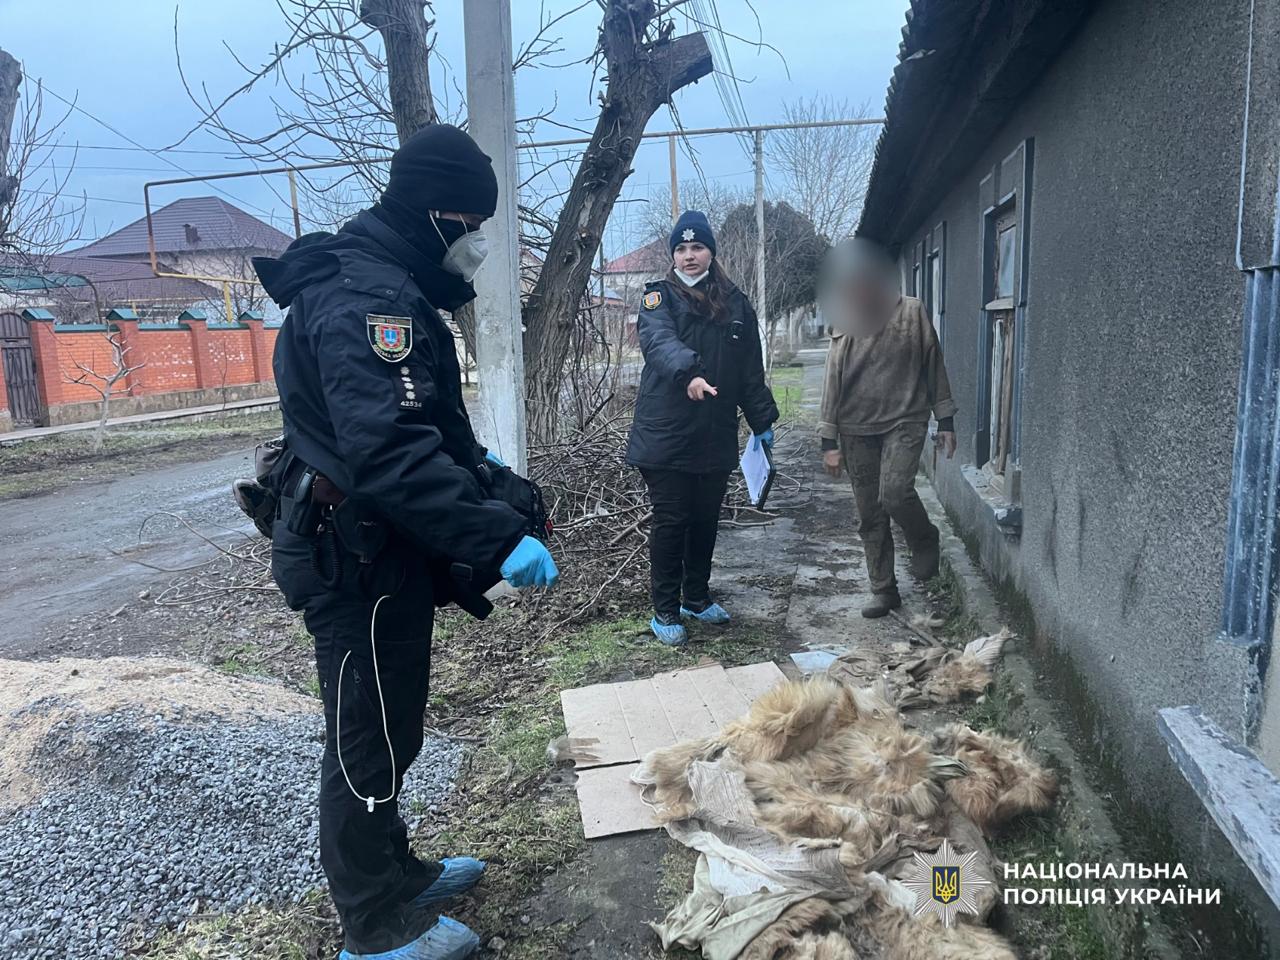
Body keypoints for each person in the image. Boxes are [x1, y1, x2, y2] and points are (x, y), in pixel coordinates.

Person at [253, 124, 559, 960]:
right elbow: (388, 452)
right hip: (351, 557)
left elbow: (417, 426)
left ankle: (397, 871)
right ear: (436, 213)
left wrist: (486, 476)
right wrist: (496, 540)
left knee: (392, 724)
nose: (476, 244)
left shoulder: (387, 281)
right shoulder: (368, 299)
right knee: (365, 736)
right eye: (471, 226)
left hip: (380, 552)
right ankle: (372, 924)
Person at [626, 210, 779, 646]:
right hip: (666, 434)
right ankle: (665, 609)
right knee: (672, 519)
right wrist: (689, 374)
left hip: (714, 433)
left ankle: (696, 597)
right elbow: (659, 343)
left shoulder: (736, 303)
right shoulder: (658, 299)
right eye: (681, 248)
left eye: (697, 247)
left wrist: (762, 420)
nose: (689, 256)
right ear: (673, 255)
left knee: (706, 518)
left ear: (711, 252)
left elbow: (749, 370)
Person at [817, 238, 956, 619]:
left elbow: (934, 363)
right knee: (870, 514)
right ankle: (883, 589)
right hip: (855, 427)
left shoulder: (911, 311)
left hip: (905, 418)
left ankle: (924, 537)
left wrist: (945, 419)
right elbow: (832, 379)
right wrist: (829, 440)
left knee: (894, 493)